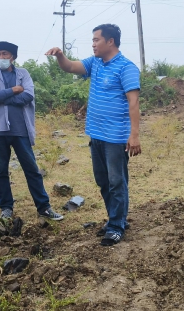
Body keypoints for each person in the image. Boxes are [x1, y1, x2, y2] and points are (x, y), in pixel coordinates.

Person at [45, 24, 141, 246]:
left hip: (116, 138)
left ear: (110, 42)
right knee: (103, 181)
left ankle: (117, 226)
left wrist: (134, 135)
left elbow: (134, 102)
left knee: (117, 182)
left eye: (97, 40)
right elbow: (70, 67)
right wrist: (60, 55)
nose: (93, 43)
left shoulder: (126, 68)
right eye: (93, 40)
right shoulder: (95, 62)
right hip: (96, 135)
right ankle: (115, 220)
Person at [0, 41, 64, 221]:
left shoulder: (23, 74)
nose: (1, 57)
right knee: (0, 172)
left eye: (5, 54)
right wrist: (13, 90)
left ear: (13, 57)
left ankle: (43, 207)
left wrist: (2, 96)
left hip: (21, 130)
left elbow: (28, 96)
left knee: (32, 169)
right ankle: (6, 208)